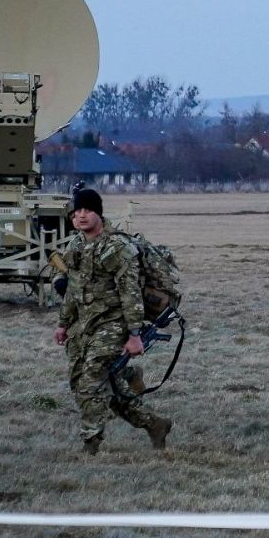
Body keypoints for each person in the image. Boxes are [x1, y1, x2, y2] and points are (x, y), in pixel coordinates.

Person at [52, 188, 173, 454]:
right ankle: (154, 424)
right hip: (84, 324)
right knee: (104, 386)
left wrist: (133, 334)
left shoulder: (118, 247)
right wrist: (63, 324)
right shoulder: (76, 245)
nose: (81, 216)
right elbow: (73, 290)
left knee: (90, 381)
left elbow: (130, 295)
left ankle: (91, 442)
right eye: (77, 212)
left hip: (113, 324)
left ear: (98, 213)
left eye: (87, 210)